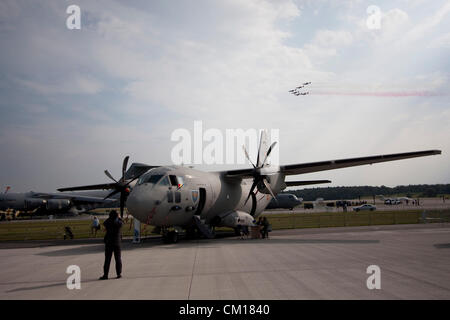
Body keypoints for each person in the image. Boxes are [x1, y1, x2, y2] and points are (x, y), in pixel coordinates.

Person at [99, 210, 123, 280]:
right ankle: (119, 274)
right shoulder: (118, 223)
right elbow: (121, 223)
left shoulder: (108, 222)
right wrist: (119, 217)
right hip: (117, 242)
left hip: (109, 242)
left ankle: (105, 275)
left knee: (107, 259)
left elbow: (105, 225)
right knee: (118, 259)